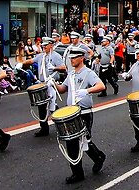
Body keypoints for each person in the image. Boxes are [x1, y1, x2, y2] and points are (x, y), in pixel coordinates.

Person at [50, 47, 106, 184]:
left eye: (74, 57)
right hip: (71, 113)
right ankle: (77, 173)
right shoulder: (71, 74)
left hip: (84, 112)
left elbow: (101, 85)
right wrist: (54, 85)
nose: (71, 60)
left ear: (82, 58)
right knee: (71, 142)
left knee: (83, 140)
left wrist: (87, 91)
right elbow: (63, 89)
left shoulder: (88, 73)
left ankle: (98, 157)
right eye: (70, 58)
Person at [16, 37, 65, 137]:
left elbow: (64, 68)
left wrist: (55, 68)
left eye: (45, 46)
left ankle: (63, 125)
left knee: (52, 106)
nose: (44, 47)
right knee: (41, 106)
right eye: (43, 46)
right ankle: (44, 128)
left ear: (51, 45)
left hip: (51, 83)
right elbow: (31, 61)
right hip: (42, 83)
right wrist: (21, 63)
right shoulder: (41, 56)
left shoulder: (56, 56)